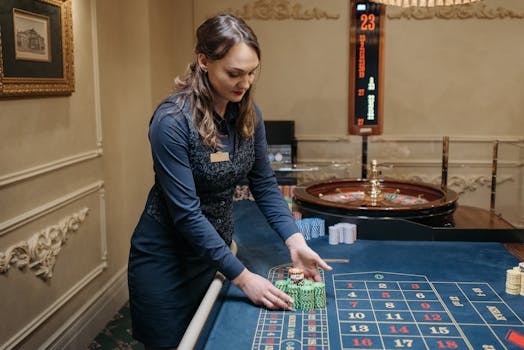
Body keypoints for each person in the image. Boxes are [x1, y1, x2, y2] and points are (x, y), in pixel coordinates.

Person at [127, 14, 332, 349]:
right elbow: (187, 215)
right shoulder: (171, 122)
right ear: (204, 61)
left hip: (215, 253)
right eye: (234, 73)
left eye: (252, 72)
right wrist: (243, 277)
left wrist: (295, 241)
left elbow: (264, 184)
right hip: (167, 260)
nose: (245, 83)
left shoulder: (249, 115)